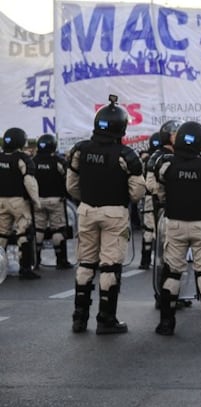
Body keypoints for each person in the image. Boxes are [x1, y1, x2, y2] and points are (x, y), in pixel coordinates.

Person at [67, 95, 146, 334]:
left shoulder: (80, 149)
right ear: (121, 126)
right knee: (109, 266)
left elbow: (71, 184)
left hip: (87, 210)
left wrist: (87, 198)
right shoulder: (126, 154)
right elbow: (138, 190)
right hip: (114, 212)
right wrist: (122, 200)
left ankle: (79, 319)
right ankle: (106, 319)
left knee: (86, 264)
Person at [153, 121, 201, 336]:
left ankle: (166, 323)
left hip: (175, 222)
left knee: (173, 271)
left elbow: (158, 191)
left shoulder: (166, 164)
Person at [0, 127, 41, 279]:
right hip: (18, 201)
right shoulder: (22, 158)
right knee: (24, 233)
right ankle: (25, 268)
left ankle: (1, 268)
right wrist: (36, 201)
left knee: (2, 234)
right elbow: (29, 181)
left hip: (1, 201)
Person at [143, 120, 182, 269]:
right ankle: (156, 262)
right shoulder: (158, 156)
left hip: (172, 203)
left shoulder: (176, 155)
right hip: (160, 203)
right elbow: (151, 184)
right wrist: (162, 195)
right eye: (175, 134)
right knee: (160, 234)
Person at [32, 134, 71, 269]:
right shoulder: (58, 162)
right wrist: (66, 195)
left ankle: (35, 261)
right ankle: (61, 261)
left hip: (38, 201)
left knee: (38, 230)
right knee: (58, 230)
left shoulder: (33, 161)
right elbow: (69, 180)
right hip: (56, 200)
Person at [137, 132, 162, 269]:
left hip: (147, 197)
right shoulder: (163, 158)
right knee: (163, 229)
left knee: (148, 229)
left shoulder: (145, 159)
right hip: (160, 197)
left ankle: (145, 260)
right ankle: (162, 260)